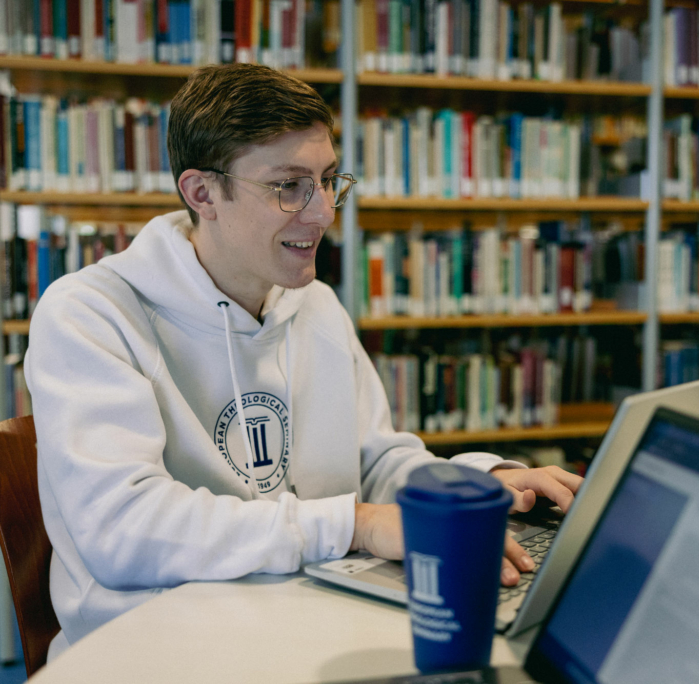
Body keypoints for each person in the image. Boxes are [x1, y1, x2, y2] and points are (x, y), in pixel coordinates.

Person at [24, 63, 582, 660]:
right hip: (154, 653)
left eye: (328, 180)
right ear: (202, 193)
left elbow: (377, 463)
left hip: (303, 621)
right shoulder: (89, 314)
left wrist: (474, 487)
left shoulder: (315, 305)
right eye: (289, 186)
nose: (324, 214)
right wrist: (356, 525)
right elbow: (123, 531)